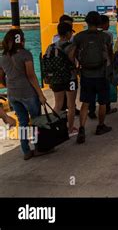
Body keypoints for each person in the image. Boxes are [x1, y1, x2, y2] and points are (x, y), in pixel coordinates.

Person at [0, 29, 48, 160]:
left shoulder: (3, 57)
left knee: (23, 122)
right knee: (36, 120)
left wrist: (11, 84)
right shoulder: (25, 54)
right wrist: (41, 95)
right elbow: (31, 76)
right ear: (20, 40)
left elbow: (1, 78)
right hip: (28, 93)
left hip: (12, 94)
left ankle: (26, 150)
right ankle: (38, 147)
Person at [69, 11, 113, 144]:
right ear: (99, 22)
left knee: (86, 103)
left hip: (86, 74)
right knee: (103, 102)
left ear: (86, 22)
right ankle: (101, 126)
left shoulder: (79, 37)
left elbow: (71, 55)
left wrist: (77, 66)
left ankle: (82, 128)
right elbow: (110, 55)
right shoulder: (105, 37)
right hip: (101, 74)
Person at [44, 22, 78, 135]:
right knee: (71, 105)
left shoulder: (51, 47)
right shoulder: (72, 46)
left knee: (58, 104)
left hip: (56, 79)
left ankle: (53, 127)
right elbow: (74, 62)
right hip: (70, 79)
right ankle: (70, 128)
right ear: (68, 33)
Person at [88, 14, 117, 118]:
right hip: (105, 65)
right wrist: (113, 62)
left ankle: (91, 110)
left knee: (91, 89)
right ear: (104, 24)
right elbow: (110, 50)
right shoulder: (108, 34)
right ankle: (107, 108)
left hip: (90, 66)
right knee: (105, 88)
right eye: (108, 23)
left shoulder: (88, 34)